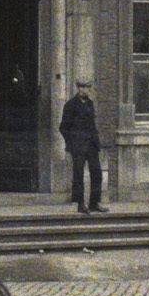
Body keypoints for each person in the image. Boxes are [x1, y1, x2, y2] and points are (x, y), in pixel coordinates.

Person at [60, 77, 108, 215]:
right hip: (78, 146)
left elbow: (92, 125)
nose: (85, 90)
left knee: (97, 173)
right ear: (78, 88)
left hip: (91, 145)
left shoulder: (90, 104)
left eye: (87, 87)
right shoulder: (70, 105)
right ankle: (80, 204)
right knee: (78, 175)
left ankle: (94, 203)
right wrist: (72, 143)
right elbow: (63, 128)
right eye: (82, 87)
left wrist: (96, 141)